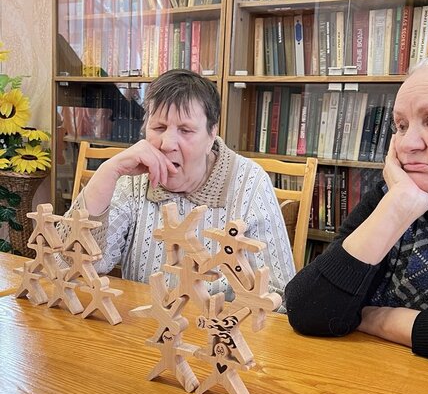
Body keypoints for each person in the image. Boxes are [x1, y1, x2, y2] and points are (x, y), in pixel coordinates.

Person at [66, 69, 295, 301]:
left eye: (185, 130)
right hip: (144, 319)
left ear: (211, 134)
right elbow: (68, 266)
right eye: (159, 128)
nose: (167, 144)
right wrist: (108, 172)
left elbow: (279, 295)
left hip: (218, 321)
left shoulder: (249, 182)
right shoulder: (134, 177)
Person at [285, 50, 428, 364]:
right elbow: (308, 310)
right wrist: (396, 209)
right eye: (401, 126)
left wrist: (384, 320)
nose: (407, 144)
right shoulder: (392, 195)